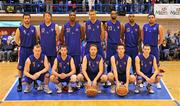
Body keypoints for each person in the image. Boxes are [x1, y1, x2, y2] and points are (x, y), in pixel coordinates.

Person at [15, 13, 37, 92]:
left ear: (30, 19)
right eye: (25, 18)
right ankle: (20, 84)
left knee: (33, 67)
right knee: (20, 67)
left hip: (32, 50)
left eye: (28, 18)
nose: (27, 20)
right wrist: (21, 45)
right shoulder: (19, 28)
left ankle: (35, 82)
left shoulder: (33, 28)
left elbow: (36, 39)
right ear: (23, 19)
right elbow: (16, 40)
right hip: (23, 49)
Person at [142, 13, 163, 88]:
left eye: (152, 17)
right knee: (144, 63)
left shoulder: (158, 26)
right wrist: (144, 45)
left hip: (154, 47)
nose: (151, 19)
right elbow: (142, 36)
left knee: (156, 64)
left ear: (154, 18)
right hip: (146, 47)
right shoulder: (145, 26)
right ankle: (144, 80)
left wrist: (157, 45)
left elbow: (161, 38)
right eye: (149, 18)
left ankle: (157, 81)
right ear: (148, 19)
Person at [60, 11, 85, 75]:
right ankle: (69, 80)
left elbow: (82, 37)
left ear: (75, 17)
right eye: (71, 15)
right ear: (69, 17)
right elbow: (61, 36)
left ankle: (77, 80)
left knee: (77, 66)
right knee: (68, 66)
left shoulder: (80, 26)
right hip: (68, 50)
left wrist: (77, 43)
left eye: (73, 15)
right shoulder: (65, 26)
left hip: (77, 50)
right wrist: (64, 44)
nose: (72, 16)